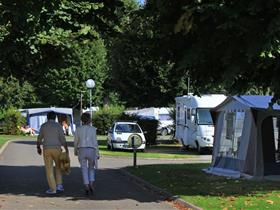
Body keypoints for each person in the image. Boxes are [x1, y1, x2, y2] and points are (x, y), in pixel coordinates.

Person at [36, 111, 69, 195]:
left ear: (47, 117)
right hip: (57, 148)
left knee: (49, 169)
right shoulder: (58, 126)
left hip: (47, 149)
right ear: (55, 118)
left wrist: (38, 147)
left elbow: (39, 138)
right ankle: (59, 185)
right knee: (58, 167)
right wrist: (66, 149)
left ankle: (52, 188)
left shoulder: (43, 126)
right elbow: (62, 138)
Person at [74, 112, 99, 195]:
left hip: (81, 149)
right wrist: (97, 153)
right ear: (89, 120)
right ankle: (91, 183)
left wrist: (75, 151)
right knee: (91, 168)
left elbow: (76, 141)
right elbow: (95, 142)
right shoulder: (93, 129)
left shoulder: (78, 129)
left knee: (84, 168)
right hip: (91, 150)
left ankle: (86, 186)